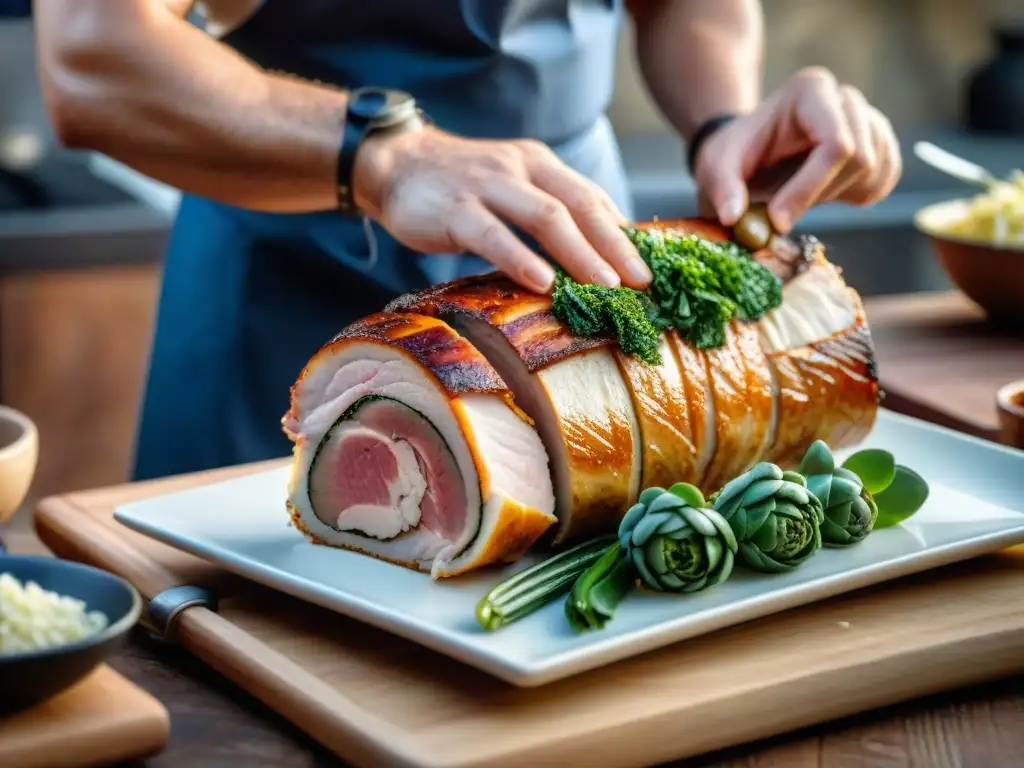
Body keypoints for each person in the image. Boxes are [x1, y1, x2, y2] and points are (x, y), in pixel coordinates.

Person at [34, 0, 901, 481]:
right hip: (288, 269)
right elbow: (92, 53)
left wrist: (723, 120)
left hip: (578, 250)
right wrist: (383, 157)